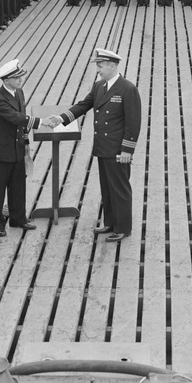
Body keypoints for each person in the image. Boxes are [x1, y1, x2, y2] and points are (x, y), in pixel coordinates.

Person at [43, 47, 141, 243]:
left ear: (112, 66)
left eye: (101, 65)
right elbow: (83, 105)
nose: (98, 69)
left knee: (120, 188)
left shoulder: (127, 89)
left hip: (117, 149)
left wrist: (127, 150)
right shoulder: (99, 87)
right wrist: (61, 119)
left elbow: (133, 122)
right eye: (98, 65)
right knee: (107, 187)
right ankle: (110, 222)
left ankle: (123, 228)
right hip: (103, 147)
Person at [0, 59, 43, 236]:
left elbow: (22, 121)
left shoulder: (18, 92)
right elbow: (15, 117)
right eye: (16, 78)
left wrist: (26, 143)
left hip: (17, 147)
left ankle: (18, 219)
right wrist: (40, 122)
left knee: (18, 186)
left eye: (20, 77)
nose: (20, 80)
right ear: (6, 81)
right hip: (1, 151)